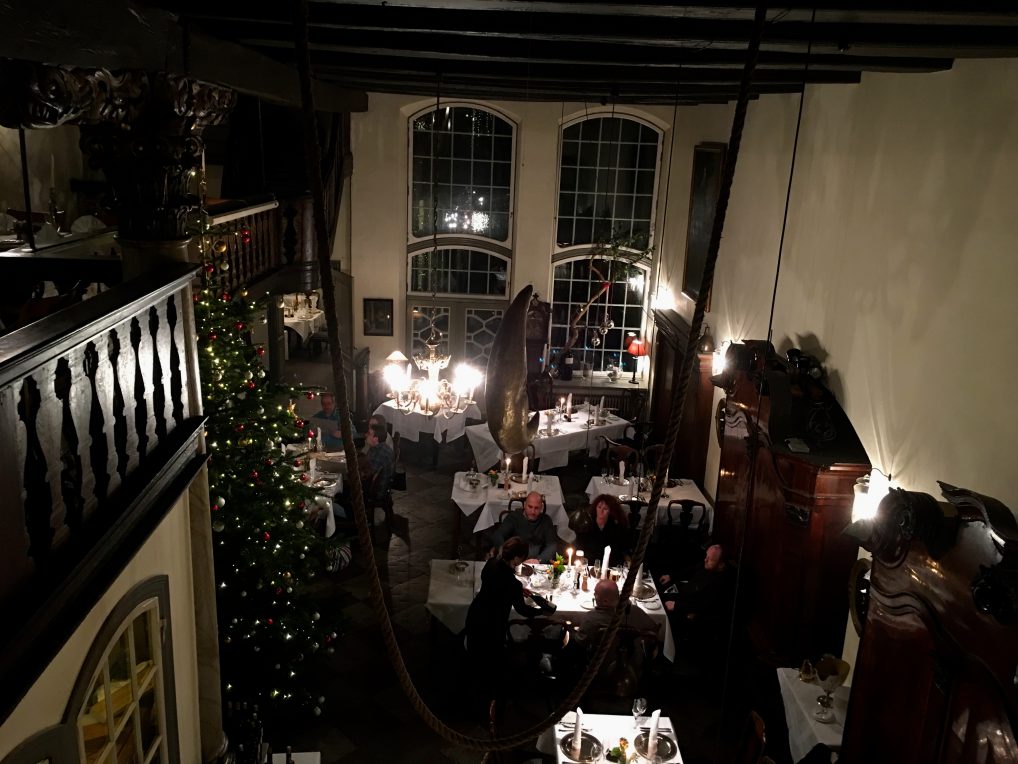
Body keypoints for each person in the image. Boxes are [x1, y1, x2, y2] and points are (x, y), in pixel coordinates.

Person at [464, 537, 552, 694]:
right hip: (492, 624)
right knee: (491, 659)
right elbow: (522, 610)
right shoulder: (512, 584)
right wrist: (541, 611)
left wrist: (517, 590)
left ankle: (472, 685)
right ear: (517, 557)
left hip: (476, 615)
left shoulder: (491, 563)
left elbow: (497, 580)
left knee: (475, 654)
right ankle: (490, 692)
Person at [659, 544, 732, 626]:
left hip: (686, 608)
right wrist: (671, 576)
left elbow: (704, 606)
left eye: (710, 559)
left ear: (721, 565)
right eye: (706, 556)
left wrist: (677, 606)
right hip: (681, 596)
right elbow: (691, 570)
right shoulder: (707, 566)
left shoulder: (719, 582)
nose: (705, 560)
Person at [488, 491, 559, 563]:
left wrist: (538, 560)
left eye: (536, 508)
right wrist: (502, 552)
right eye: (530, 507)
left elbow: (552, 545)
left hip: (535, 562)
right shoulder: (514, 517)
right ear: (525, 505)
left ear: (541, 507)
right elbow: (499, 534)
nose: (533, 511)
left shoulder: (546, 521)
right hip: (514, 560)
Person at [578, 494, 630, 567]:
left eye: (605, 509)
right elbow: (580, 545)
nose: (601, 511)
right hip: (589, 564)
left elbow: (620, 550)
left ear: (610, 512)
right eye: (599, 507)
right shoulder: (587, 523)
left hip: (611, 565)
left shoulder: (616, 527)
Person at [363, 422, 394, 498]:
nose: (366, 435)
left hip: (376, 491)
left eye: (369, 433)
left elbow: (367, 476)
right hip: (377, 486)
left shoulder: (380, 453)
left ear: (375, 439)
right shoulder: (379, 447)